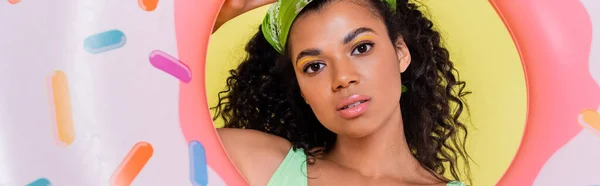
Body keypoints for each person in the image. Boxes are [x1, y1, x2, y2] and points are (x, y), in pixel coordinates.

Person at [211, 0, 471, 185]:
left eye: (361, 48)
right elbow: (171, 137)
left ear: (401, 53)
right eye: (314, 66)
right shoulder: (257, 164)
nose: (343, 78)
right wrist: (213, 19)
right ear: (301, 89)